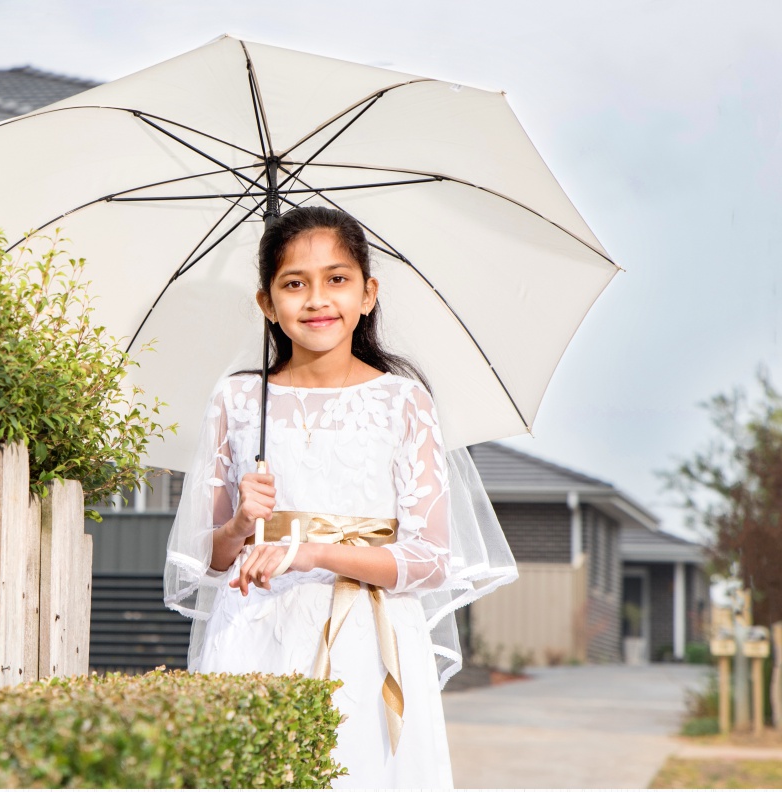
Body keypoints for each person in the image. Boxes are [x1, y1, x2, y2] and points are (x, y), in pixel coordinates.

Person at [162, 205, 517, 788]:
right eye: (293, 284)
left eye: (336, 279)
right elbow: (208, 558)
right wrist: (240, 525)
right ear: (267, 304)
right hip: (256, 631)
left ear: (367, 293)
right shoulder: (238, 400)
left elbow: (430, 561)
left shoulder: (404, 402)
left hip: (368, 642)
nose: (316, 298)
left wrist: (313, 553)